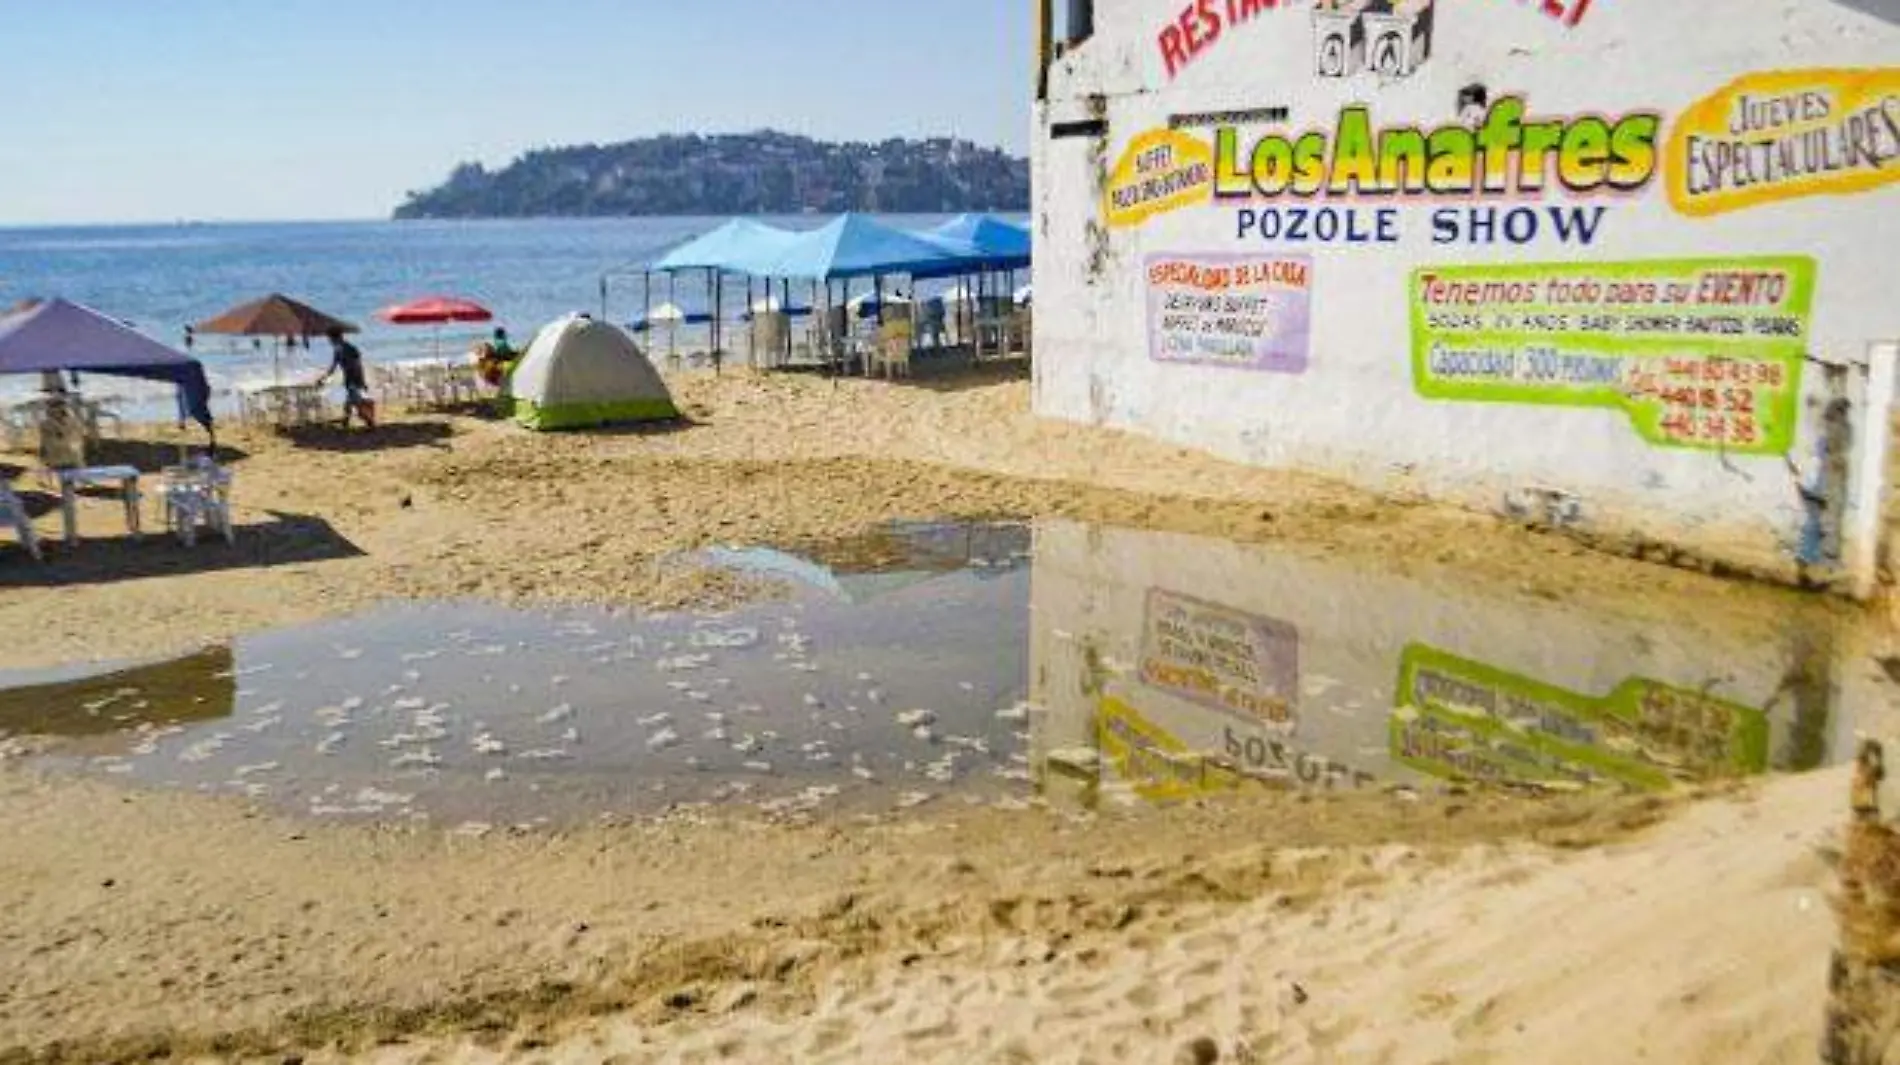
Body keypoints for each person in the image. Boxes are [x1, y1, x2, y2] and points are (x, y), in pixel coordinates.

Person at [316, 329, 376, 430]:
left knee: (357, 403)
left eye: (330, 340)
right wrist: (323, 378)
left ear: (335, 338)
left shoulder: (345, 349)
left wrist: (360, 381)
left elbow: (354, 366)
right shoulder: (343, 349)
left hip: (353, 379)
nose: (330, 342)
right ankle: (346, 422)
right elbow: (336, 367)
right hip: (353, 378)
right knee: (349, 402)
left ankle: (370, 423)